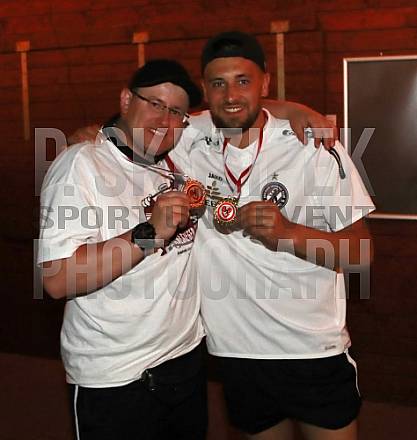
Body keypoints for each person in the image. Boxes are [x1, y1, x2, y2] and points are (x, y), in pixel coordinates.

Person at [167, 31, 375, 440]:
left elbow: (362, 253)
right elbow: (134, 129)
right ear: (204, 90)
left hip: (311, 349)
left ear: (265, 81)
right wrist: (91, 138)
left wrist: (286, 233)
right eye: (218, 83)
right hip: (235, 351)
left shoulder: (313, 145)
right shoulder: (186, 138)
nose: (231, 95)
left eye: (243, 81)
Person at [38, 59, 208, 440]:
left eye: (176, 112)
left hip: (184, 362)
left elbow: (238, 109)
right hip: (116, 378)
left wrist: (302, 114)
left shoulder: (180, 153)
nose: (164, 120)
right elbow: (57, 278)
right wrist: (148, 234)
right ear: (126, 100)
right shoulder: (81, 166)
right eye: (155, 103)